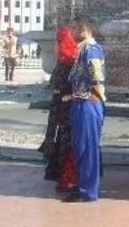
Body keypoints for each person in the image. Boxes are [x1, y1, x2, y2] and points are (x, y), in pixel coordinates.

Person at [63, 16, 106, 203]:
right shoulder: (83, 49)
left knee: (88, 148)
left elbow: (97, 77)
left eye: (76, 27)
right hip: (81, 102)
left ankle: (89, 191)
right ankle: (83, 186)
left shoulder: (91, 49)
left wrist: (98, 97)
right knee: (81, 147)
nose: (73, 31)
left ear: (85, 29)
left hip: (88, 103)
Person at [40, 27, 79, 192]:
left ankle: (70, 179)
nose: (55, 47)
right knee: (57, 140)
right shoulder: (61, 61)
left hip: (66, 108)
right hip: (58, 107)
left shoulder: (71, 63)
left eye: (57, 43)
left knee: (66, 141)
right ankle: (63, 176)